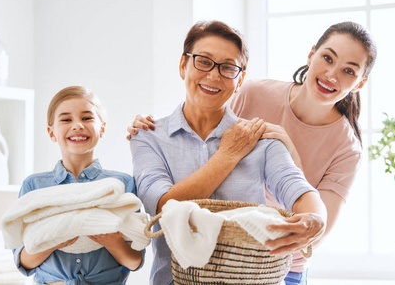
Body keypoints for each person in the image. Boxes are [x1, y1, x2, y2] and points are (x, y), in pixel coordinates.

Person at [128, 21, 377, 285]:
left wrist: (314, 220)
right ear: (183, 65)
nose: (214, 75)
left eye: (227, 67)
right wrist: (228, 154)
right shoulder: (149, 135)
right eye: (203, 61)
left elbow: (300, 191)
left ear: (239, 79)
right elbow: (162, 207)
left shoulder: (267, 139)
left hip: (273, 263)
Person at [13, 86, 144, 285]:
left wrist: (113, 241)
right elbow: (24, 262)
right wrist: (52, 241)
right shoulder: (35, 186)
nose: (77, 126)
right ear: (51, 132)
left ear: (102, 128)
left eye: (87, 118)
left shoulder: (121, 184)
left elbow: (134, 261)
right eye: (66, 119)